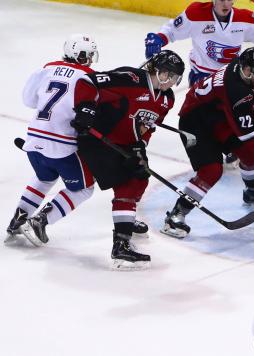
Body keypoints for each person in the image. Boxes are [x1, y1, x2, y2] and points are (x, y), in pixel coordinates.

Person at [143, 0, 254, 163]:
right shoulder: (195, 13)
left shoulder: (245, 18)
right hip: (204, 77)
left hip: (238, 76)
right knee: (216, 119)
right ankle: (228, 147)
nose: (226, 3)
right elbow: (172, 30)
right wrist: (158, 38)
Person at [160, 47, 254, 239]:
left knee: (250, 152)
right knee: (211, 171)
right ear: (247, 70)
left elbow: (248, 120)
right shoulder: (236, 89)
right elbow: (247, 130)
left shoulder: (241, 72)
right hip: (195, 124)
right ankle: (176, 214)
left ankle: (253, 194)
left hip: (218, 117)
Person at [70, 50, 184, 269]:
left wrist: (139, 147)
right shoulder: (131, 79)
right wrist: (85, 109)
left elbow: (146, 128)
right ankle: (121, 246)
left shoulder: (167, 99)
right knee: (128, 183)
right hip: (99, 139)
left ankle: (125, 224)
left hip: (124, 143)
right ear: (153, 69)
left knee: (140, 178)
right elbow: (87, 81)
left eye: (174, 78)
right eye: (164, 74)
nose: (168, 81)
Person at [5, 34, 99, 247]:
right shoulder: (90, 77)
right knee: (84, 189)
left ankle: (18, 219)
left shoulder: (46, 68)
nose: (91, 59)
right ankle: (41, 220)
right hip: (62, 144)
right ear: (80, 55)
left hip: (34, 139)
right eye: (89, 55)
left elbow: (28, 100)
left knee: (44, 178)